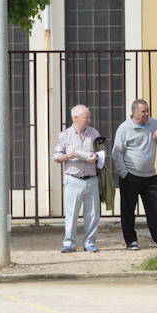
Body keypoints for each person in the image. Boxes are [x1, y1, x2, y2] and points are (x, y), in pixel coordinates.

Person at [112, 99, 157, 250]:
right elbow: (116, 153)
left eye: (147, 110)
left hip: (150, 176)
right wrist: (123, 173)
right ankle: (131, 241)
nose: (147, 114)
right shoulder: (124, 128)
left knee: (155, 209)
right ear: (134, 112)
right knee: (128, 211)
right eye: (143, 111)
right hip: (130, 176)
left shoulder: (152, 123)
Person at [53, 104, 102, 253]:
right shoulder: (64, 135)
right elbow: (56, 156)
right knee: (71, 214)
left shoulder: (94, 133)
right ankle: (69, 243)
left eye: (89, 117)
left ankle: (89, 243)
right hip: (73, 179)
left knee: (93, 214)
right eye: (85, 117)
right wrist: (67, 156)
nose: (89, 120)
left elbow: (102, 152)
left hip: (91, 179)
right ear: (75, 118)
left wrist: (97, 156)